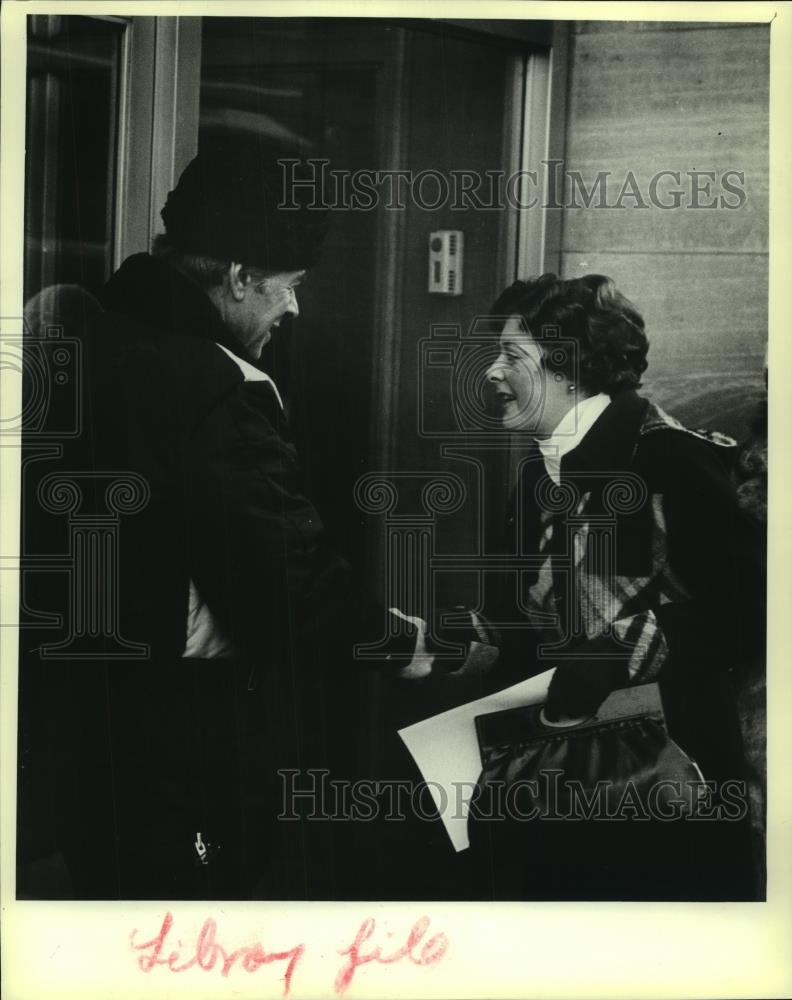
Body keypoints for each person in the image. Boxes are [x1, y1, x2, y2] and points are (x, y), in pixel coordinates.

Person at [16, 140, 428, 900]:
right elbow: (287, 583)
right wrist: (405, 644)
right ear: (240, 277)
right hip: (182, 738)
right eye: (289, 286)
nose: (295, 308)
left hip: (72, 720)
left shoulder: (79, 347)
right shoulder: (220, 386)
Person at [464, 273, 766, 900]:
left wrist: (625, 644)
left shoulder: (673, 459)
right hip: (559, 781)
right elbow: (519, 621)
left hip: (670, 788)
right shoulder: (536, 474)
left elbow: (758, 610)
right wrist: (453, 642)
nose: (492, 373)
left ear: (568, 369)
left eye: (511, 356)